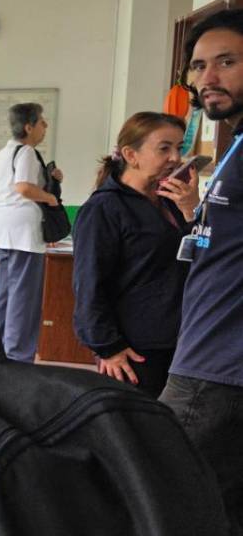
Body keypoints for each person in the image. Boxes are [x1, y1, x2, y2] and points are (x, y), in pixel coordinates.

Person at [160, 8, 243, 536]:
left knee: (164, 508)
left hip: (218, 374)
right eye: (199, 64)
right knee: (222, 522)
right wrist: (197, 215)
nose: (207, 78)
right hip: (206, 361)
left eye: (226, 62)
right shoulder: (234, 147)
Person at [72, 112, 197, 397]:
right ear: (131, 154)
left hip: (178, 337)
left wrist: (192, 211)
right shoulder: (104, 208)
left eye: (179, 148)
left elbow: (195, 256)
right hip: (133, 347)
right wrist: (108, 347)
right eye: (164, 148)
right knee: (138, 431)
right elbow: (88, 284)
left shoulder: (171, 201)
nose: (175, 158)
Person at [0, 102, 64, 362]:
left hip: (1, 228)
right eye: (42, 121)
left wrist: (52, 179)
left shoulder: (3, 154)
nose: (45, 126)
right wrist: (50, 198)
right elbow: (23, 188)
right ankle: (19, 356)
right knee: (24, 296)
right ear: (29, 126)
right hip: (22, 231)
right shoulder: (28, 153)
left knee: (4, 291)